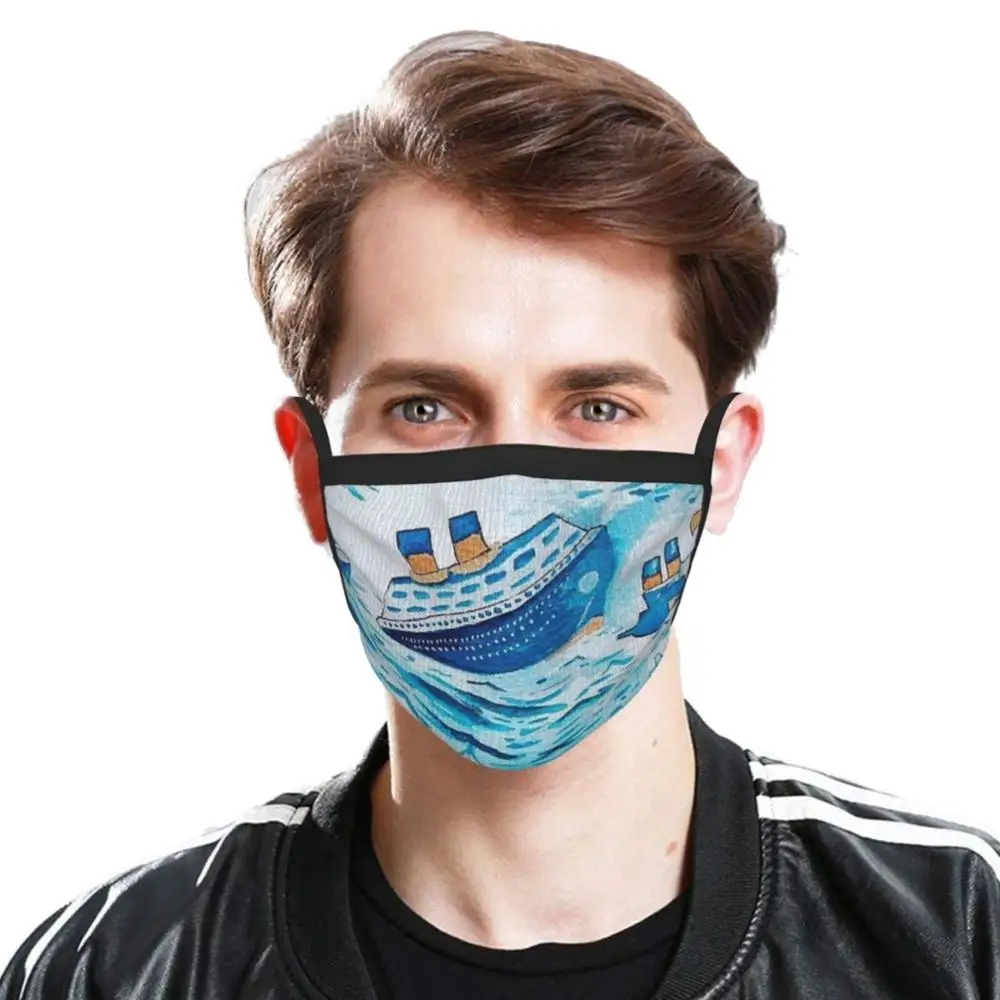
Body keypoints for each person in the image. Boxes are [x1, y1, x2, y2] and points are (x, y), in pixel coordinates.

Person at [3, 29, 998, 1000]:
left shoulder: (963, 935)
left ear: (723, 464)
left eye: (598, 407)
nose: (517, 489)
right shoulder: (106, 972)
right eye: (423, 408)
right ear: (311, 473)